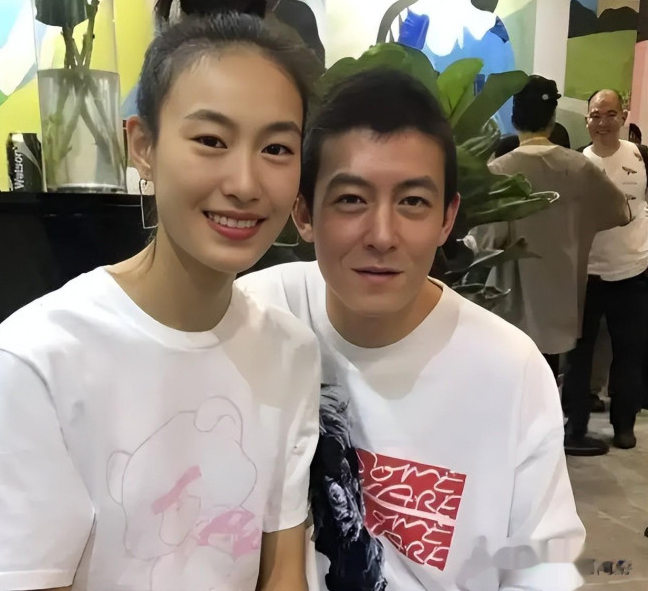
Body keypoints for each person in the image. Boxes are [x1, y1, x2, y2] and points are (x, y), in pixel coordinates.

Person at [0, 0, 321, 591]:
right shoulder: (42, 355)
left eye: (277, 149)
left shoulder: (290, 351)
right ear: (142, 146)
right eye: (211, 140)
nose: (246, 183)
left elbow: (281, 573)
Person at [238, 69, 585, 591]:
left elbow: (543, 570)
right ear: (304, 213)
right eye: (351, 199)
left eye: (413, 202)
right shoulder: (259, 319)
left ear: (447, 219)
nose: (382, 235)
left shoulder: (507, 369)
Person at [477, 77, 628, 382]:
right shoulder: (580, 167)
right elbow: (620, 212)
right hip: (559, 301)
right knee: (545, 381)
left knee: (510, 383)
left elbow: (484, 241)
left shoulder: (498, 172)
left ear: (515, 119)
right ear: (552, 119)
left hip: (508, 303)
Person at [562, 89, 648, 453]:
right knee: (578, 354)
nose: (603, 123)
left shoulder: (641, 156)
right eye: (596, 115)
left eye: (610, 114)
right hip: (587, 273)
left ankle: (624, 425)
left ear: (623, 117)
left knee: (629, 353)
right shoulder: (577, 162)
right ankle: (576, 424)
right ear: (587, 121)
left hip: (633, 270)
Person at [377, 0, 515, 133]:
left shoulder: (493, 30)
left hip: (482, 145)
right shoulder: (410, 17)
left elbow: (507, 113)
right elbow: (392, 88)